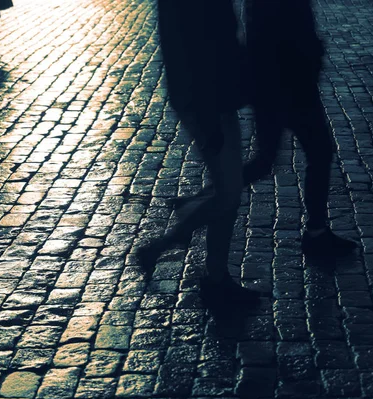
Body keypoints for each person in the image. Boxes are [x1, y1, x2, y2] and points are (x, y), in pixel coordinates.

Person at [172, 0, 357, 258]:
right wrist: (310, 55)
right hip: (290, 81)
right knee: (316, 153)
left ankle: (200, 201)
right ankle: (316, 231)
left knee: (268, 160)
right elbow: (286, 26)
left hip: (273, 82)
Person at [137, 0, 260, 311]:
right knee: (228, 194)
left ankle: (217, 277)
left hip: (208, 97)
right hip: (207, 101)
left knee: (227, 191)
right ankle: (164, 245)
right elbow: (198, 49)